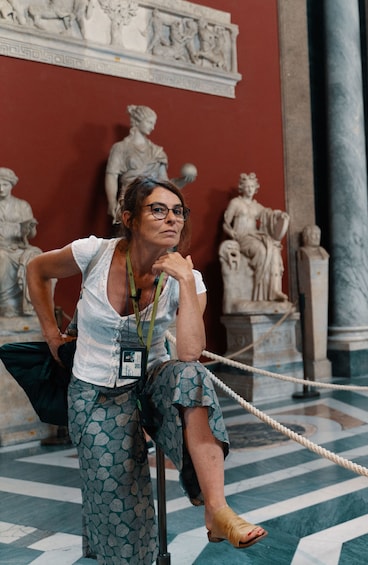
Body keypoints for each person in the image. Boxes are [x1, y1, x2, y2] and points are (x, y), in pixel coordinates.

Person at [26, 177, 267, 564]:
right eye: (158, 209)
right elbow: (36, 270)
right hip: (95, 391)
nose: (172, 219)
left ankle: (217, 510)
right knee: (119, 502)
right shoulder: (94, 253)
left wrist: (186, 281)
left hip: (153, 381)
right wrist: (52, 334)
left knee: (194, 377)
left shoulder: (187, 280)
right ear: (130, 218)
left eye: (178, 211)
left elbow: (189, 353)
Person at [222, 172, 290, 303]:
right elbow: (225, 224)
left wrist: (280, 216)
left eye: (252, 187)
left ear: (255, 188)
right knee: (261, 251)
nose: (249, 189)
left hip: (255, 236)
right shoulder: (235, 203)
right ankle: (261, 296)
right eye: (247, 186)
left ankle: (274, 291)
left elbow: (269, 215)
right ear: (242, 188)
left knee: (274, 250)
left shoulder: (256, 206)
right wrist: (232, 234)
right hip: (243, 238)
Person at [0, 167, 40, 317]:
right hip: (2, 249)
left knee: (36, 259)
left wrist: (28, 229)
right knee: (2, 257)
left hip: (19, 247)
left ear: (11, 185)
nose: (1, 188)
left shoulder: (22, 206)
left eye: (5, 185)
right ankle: (6, 305)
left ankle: (30, 305)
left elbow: (31, 235)